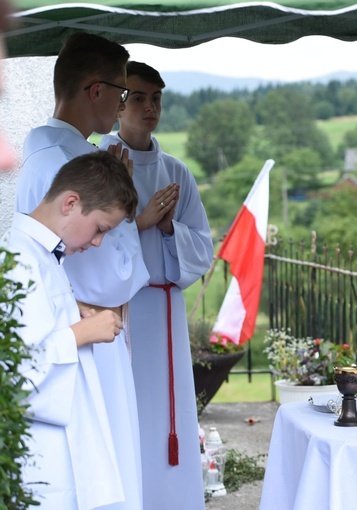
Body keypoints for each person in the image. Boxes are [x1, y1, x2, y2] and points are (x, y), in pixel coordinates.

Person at [14, 32, 148, 510]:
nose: (124, 105)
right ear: (96, 89)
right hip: (80, 349)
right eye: (123, 92)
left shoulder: (49, 154)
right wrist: (128, 217)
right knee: (100, 473)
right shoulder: (67, 162)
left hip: (76, 333)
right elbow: (115, 277)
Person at [99, 61, 212, 509]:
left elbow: (202, 247)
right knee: (128, 412)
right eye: (140, 98)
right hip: (120, 313)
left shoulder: (176, 171)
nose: (151, 108)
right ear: (118, 103)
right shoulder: (102, 164)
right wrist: (141, 221)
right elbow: (88, 242)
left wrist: (169, 231)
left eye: (157, 98)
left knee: (169, 417)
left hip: (164, 312)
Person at [2, 151, 138, 509]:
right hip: (39, 455)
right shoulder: (16, 259)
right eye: (100, 229)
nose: (96, 243)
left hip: (62, 448)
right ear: (71, 203)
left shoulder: (43, 257)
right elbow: (13, 372)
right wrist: (83, 333)